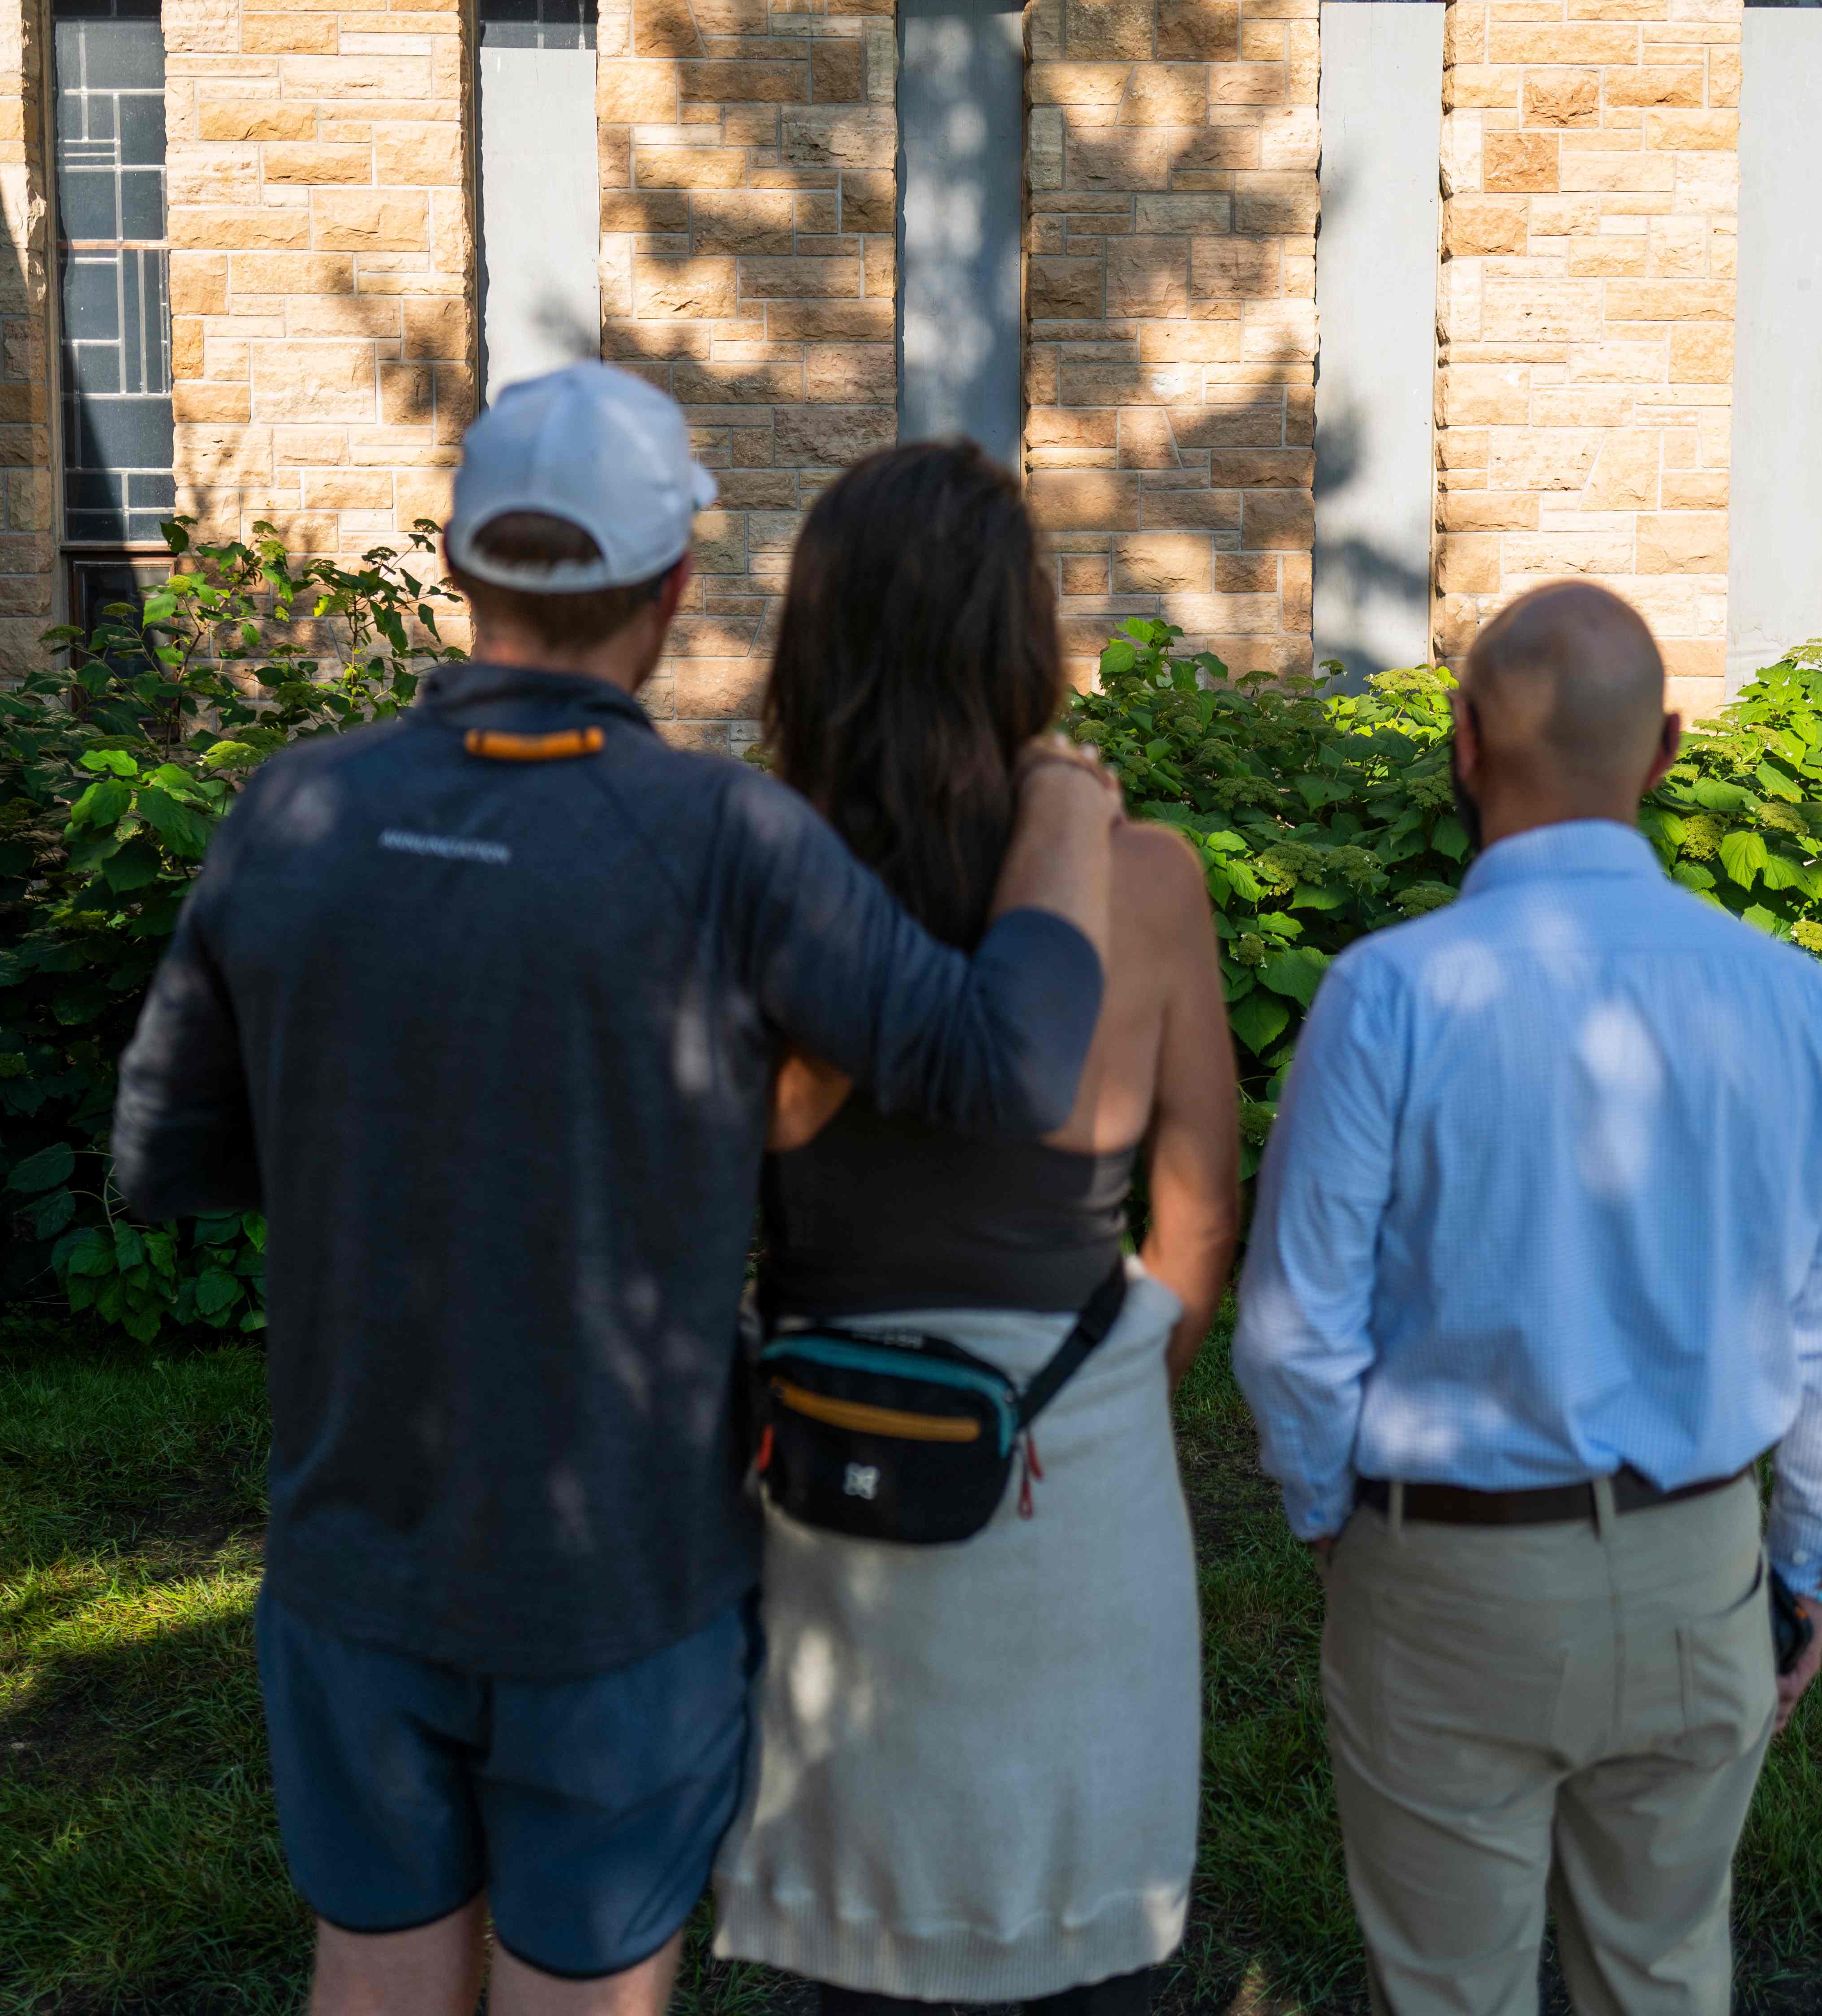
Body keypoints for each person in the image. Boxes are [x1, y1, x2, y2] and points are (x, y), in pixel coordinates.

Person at [110, 365, 1127, 2016]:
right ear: (669, 589)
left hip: (353, 1541)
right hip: (621, 1583)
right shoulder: (728, 842)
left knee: (371, 1970)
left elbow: (162, 1154)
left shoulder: (290, 812)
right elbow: (1008, 1064)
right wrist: (1069, 814)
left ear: (459, 569)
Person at [1230, 579, 1822, 2016]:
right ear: (1665, 753)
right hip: (1696, 1564)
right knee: (1660, 1979)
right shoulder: (1792, 999)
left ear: (1463, 743)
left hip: (1444, 1568)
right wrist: (1806, 1562)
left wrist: (1332, 1517)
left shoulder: (1383, 993)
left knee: (1448, 1993)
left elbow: (1293, 1330)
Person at [707, 441, 1242, 2016]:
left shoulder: (751, 882)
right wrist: (1103, 1386)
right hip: (1063, 1469)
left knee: (865, 1956)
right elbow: (1200, 1205)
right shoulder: (1145, 881)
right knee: (1088, 1941)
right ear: (1026, 641)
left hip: (827, 1462)